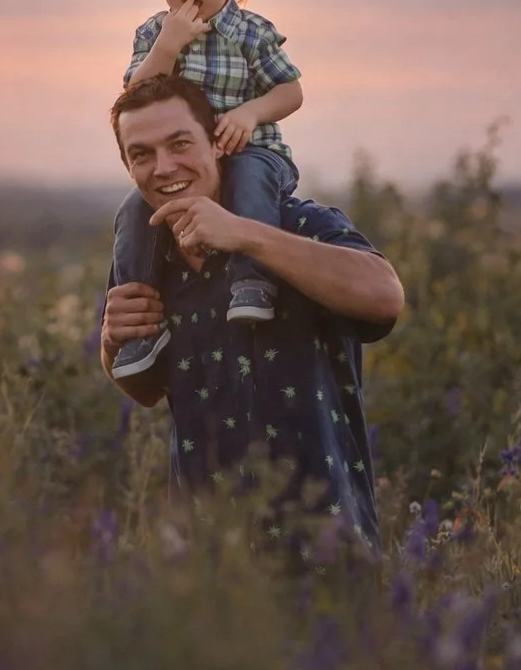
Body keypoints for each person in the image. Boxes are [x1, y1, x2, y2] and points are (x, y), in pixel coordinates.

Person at [100, 75, 405, 545]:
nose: (163, 167)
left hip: (324, 540)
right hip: (211, 558)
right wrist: (111, 344)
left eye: (180, 144)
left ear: (219, 142)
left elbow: (385, 296)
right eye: (142, 154)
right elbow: (145, 390)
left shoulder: (297, 223)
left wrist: (246, 236)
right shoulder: (145, 257)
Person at [110, 0, 305, 384]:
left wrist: (250, 112)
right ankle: (140, 326)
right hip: (186, 168)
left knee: (250, 180)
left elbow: (291, 90)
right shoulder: (154, 33)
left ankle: (252, 281)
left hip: (250, 150)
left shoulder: (251, 32)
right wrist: (168, 45)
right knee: (134, 210)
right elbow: (133, 101)